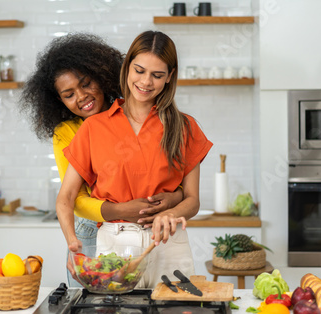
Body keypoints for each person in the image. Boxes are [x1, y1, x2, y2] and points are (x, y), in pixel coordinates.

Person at [19, 33, 184, 285]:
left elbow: (166, 176)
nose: (81, 96)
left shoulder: (137, 113)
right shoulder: (67, 133)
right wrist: (119, 210)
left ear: (102, 75)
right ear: (59, 100)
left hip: (145, 226)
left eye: (86, 84)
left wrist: (173, 197)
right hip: (91, 228)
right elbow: (73, 198)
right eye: (69, 94)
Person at [56, 30, 213, 288]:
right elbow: (65, 198)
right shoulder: (94, 128)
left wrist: (171, 213)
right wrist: (73, 243)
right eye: (139, 70)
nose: (146, 82)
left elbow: (193, 201)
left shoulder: (185, 126)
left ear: (170, 77)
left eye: (157, 75)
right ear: (127, 67)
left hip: (168, 244)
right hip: (114, 247)